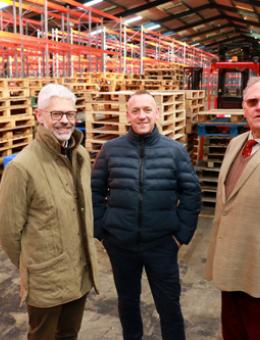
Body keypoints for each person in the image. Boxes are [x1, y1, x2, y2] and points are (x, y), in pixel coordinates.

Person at [92, 90, 201, 340]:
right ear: (127, 115)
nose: (142, 116)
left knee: (169, 305)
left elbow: (191, 193)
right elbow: (95, 191)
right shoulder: (110, 150)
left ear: (157, 113)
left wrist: (180, 235)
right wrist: (102, 230)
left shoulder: (175, 151)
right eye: (136, 111)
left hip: (162, 244)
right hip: (120, 244)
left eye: (147, 110)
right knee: (127, 302)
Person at [0, 84, 99, 340]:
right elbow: (9, 232)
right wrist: (34, 266)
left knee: (68, 334)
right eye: (56, 114)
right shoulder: (22, 168)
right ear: (39, 116)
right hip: (46, 279)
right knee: (43, 335)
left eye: (70, 113)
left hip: (80, 270)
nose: (65, 121)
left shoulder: (81, 156)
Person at [205, 77, 260, 340]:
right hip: (230, 264)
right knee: (233, 330)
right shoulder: (236, 144)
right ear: (244, 108)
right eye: (253, 102)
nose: (258, 107)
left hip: (257, 269)